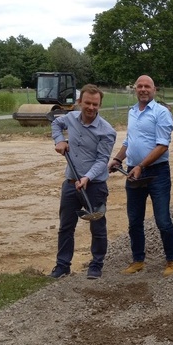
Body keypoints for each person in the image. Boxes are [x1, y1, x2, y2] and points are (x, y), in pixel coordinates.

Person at [109, 75, 173, 277]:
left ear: (154, 89)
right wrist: (118, 159)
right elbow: (129, 141)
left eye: (147, 86)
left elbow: (162, 145)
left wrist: (140, 165)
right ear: (135, 89)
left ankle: (171, 259)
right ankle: (138, 260)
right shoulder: (132, 112)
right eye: (139, 86)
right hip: (133, 171)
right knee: (134, 220)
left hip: (157, 173)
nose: (143, 89)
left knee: (163, 220)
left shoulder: (161, 112)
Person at [49, 84, 116, 279]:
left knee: (97, 225)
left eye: (95, 104)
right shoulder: (70, 118)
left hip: (94, 186)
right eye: (87, 103)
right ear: (80, 102)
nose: (91, 107)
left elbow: (102, 160)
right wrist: (59, 140)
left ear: (100, 105)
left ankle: (96, 264)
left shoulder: (107, 131)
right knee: (66, 227)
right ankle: (62, 265)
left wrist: (87, 177)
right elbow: (54, 123)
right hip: (70, 183)